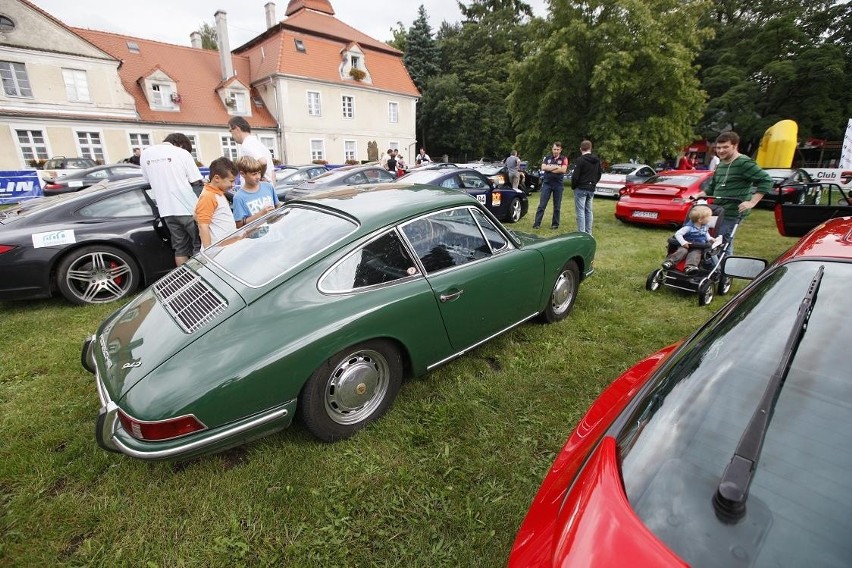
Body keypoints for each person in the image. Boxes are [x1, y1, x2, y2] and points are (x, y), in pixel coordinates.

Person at [690, 131, 772, 253]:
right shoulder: (721, 164)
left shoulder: (744, 163)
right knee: (712, 240)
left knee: (722, 243)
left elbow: (766, 180)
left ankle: (722, 269)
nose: (721, 151)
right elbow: (712, 186)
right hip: (718, 210)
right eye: (718, 148)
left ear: (735, 146)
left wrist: (752, 202)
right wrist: (698, 195)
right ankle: (712, 266)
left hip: (733, 212)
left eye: (725, 147)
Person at [140, 133, 203, 266]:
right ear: (181, 145)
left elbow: (147, 180)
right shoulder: (181, 153)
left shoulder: (145, 154)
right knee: (198, 245)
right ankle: (201, 275)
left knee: (180, 248)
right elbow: (196, 181)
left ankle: (186, 277)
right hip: (189, 209)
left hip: (166, 210)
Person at [195, 157, 238, 250]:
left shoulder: (218, 192)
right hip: (217, 251)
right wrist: (209, 251)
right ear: (217, 178)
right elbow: (203, 226)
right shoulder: (208, 196)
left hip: (226, 248)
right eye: (231, 181)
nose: (233, 185)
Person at [662, 204, 714, 274]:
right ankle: (670, 262)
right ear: (700, 220)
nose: (710, 219)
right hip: (686, 244)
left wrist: (710, 238)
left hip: (698, 245)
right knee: (682, 251)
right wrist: (683, 242)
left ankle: (690, 267)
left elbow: (705, 233)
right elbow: (678, 234)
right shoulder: (688, 227)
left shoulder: (705, 226)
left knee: (695, 253)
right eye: (709, 217)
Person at [232, 155, 279, 228]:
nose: (258, 177)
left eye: (259, 173)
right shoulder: (239, 197)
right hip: (256, 238)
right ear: (242, 174)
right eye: (254, 174)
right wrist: (260, 214)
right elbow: (239, 225)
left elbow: (278, 207)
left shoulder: (268, 186)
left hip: (275, 234)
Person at [533, 141, 570, 229]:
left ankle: (555, 224)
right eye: (554, 149)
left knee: (557, 206)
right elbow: (543, 167)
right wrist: (557, 167)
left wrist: (549, 168)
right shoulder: (547, 158)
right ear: (552, 149)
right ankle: (537, 224)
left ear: (560, 150)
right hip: (547, 184)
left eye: (557, 149)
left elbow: (563, 170)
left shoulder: (564, 158)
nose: (555, 151)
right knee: (542, 205)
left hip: (558, 185)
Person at [228, 117, 275, 183]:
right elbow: (272, 172)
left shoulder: (247, 145)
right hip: (265, 188)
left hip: (255, 190)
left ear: (237, 129)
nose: (231, 136)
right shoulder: (259, 144)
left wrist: (259, 177)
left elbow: (263, 162)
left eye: (231, 131)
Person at [570, 140, 603, 234]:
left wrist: (574, 186)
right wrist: (593, 183)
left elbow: (575, 176)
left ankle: (582, 233)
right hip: (591, 188)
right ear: (590, 148)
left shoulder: (580, 160)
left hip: (581, 188)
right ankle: (589, 232)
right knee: (588, 211)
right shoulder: (597, 160)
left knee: (580, 212)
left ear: (581, 149)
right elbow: (599, 174)